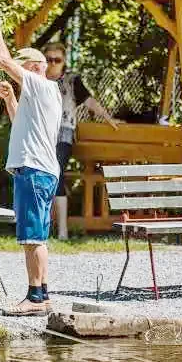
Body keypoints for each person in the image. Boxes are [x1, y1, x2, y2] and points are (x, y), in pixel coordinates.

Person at [0, 18, 61, 316]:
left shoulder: (40, 84)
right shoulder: (44, 93)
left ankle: (33, 296)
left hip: (32, 171)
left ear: (31, 68)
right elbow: (21, 122)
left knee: (31, 237)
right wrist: (10, 99)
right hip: (41, 171)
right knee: (37, 236)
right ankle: (41, 294)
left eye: (21, 69)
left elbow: (2, 59)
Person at [42, 42, 121, 239]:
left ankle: (62, 230)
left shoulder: (71, 81)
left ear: (64, 62)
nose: (52, 64)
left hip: (63, 133)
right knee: (41, 175)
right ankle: (43, 226)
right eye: (49, 59)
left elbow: (89, 101)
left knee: (56, 172)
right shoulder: (38, 80)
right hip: (40, 133)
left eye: (57, 60)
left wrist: (107, 117)